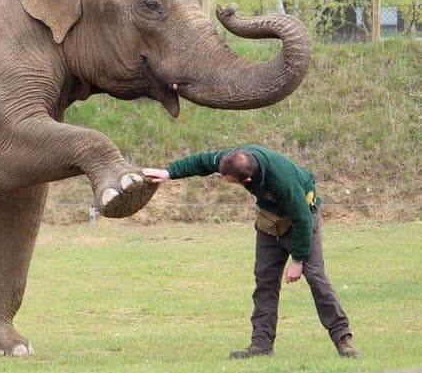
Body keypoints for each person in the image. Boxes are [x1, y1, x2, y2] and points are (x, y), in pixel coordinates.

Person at [142, 145, 361, 360]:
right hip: (269, 221)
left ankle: (343, 339)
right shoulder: (232, 158)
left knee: (316, 278)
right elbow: (200, 162)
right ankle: (261, 344)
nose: (223, 179)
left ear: (247, 179)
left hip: (301, 221)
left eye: (228, 179)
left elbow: (303, 220)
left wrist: (298, 260)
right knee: (265, 282)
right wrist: (168, 173)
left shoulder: (284, 181)